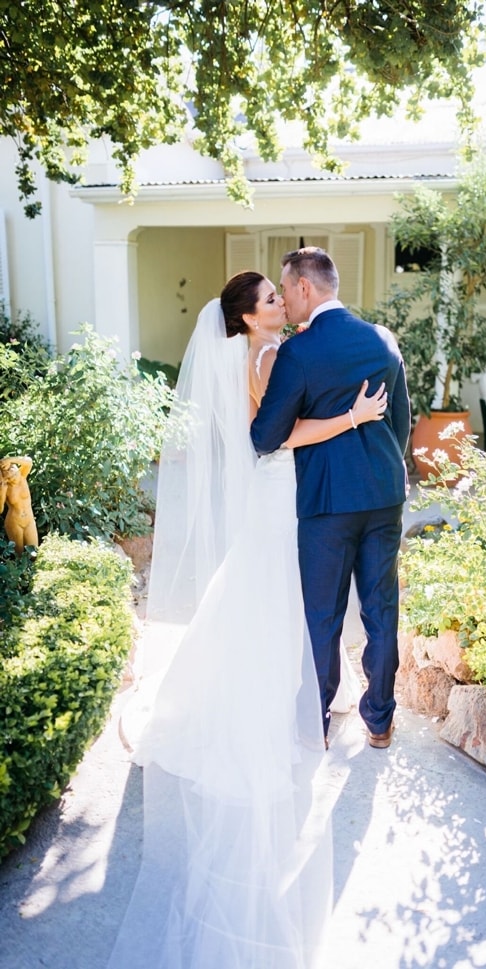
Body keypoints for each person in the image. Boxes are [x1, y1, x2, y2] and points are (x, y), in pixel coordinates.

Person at [110, 271, 389, 968]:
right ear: (247, 317)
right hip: (279, 494)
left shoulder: (269, 354)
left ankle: (262, 687)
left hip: (284, 496)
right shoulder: (266, 358)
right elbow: (278, 437)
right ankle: (269, 699)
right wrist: (354, 418)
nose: (280, 305)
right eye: (269, 299)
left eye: (279, 295)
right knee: (272, 598)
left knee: (267, 600)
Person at [252, 247, 411, 750]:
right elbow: (401, 423)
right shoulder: (383, 340)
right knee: (381, 608)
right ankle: (380, 721)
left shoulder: (299, 352)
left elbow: (265, 436)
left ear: (304, 286)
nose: (285, 300)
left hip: (326, 504)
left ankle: (316, 720)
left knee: (322, 614)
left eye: (286, 286)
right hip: (384, 496)